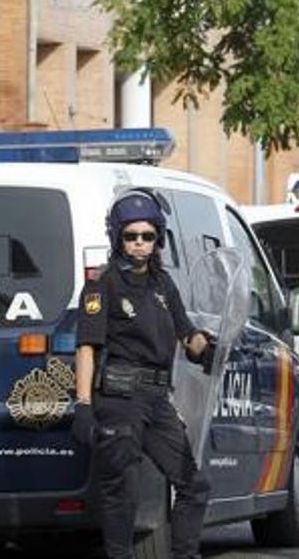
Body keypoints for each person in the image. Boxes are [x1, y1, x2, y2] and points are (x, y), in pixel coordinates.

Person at [72, 189, 213, 559]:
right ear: (118, 237)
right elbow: (88, 346)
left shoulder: (163, 284)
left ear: (158, 238)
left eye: (147, 236)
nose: (139, 244)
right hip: (119, 398)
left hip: (157, 399)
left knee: (193, 484)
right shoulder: (102, 284)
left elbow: (188, 334)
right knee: (124, 489)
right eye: (131, 236)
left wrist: (209, 348)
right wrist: (83, 404)